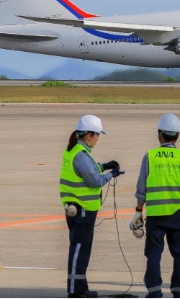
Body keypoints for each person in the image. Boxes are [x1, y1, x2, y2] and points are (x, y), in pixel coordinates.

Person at [129, 113, 180, 299]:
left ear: (159, 133)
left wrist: (138, 212)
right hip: (178, 214)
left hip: (155, 215)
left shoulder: (150, 156)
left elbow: (141, 189)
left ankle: (154, 292)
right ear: (177, 134)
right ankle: (179, 291)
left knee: (154, 253)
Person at [60, 114, 124, 299]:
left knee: (83, 249)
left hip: (80, 209)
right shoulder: (80, 155)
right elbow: (95, 180)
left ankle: (81, 287)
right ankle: (74, 290)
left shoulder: (77, 151)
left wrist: (104, 166)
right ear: (89, 135)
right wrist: (112, 174)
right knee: (79, 249)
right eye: (97, 135)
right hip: (82, 209)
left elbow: (91, 168)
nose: (98, 139)